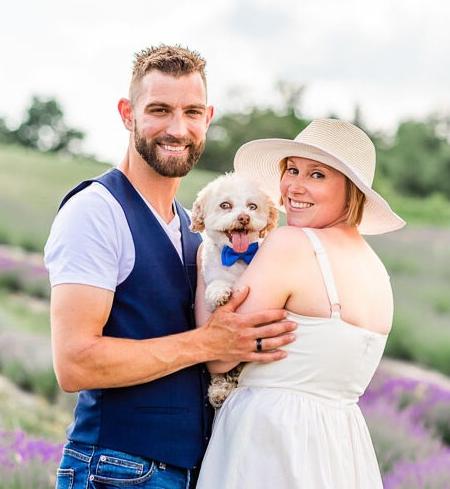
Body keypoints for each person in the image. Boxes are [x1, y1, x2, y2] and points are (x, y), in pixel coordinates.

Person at [44, 44, 297, 489]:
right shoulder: (96, 212)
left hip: (194, 472)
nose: (178, 128)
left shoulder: (192, 227)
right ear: (128, 113)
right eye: (159, 110)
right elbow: (74, 363)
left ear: (208, 117)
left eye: (192, 112)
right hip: (116, 470)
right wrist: (206, 343)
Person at [195, 118, 406, 488]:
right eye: (292, 169)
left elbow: (217, 354)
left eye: (317, 175)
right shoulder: (378, 271)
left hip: (270, 441)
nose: (294, 185)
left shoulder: (291, 244)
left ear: (351, 190)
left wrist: (207, 257)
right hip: (341, 449)